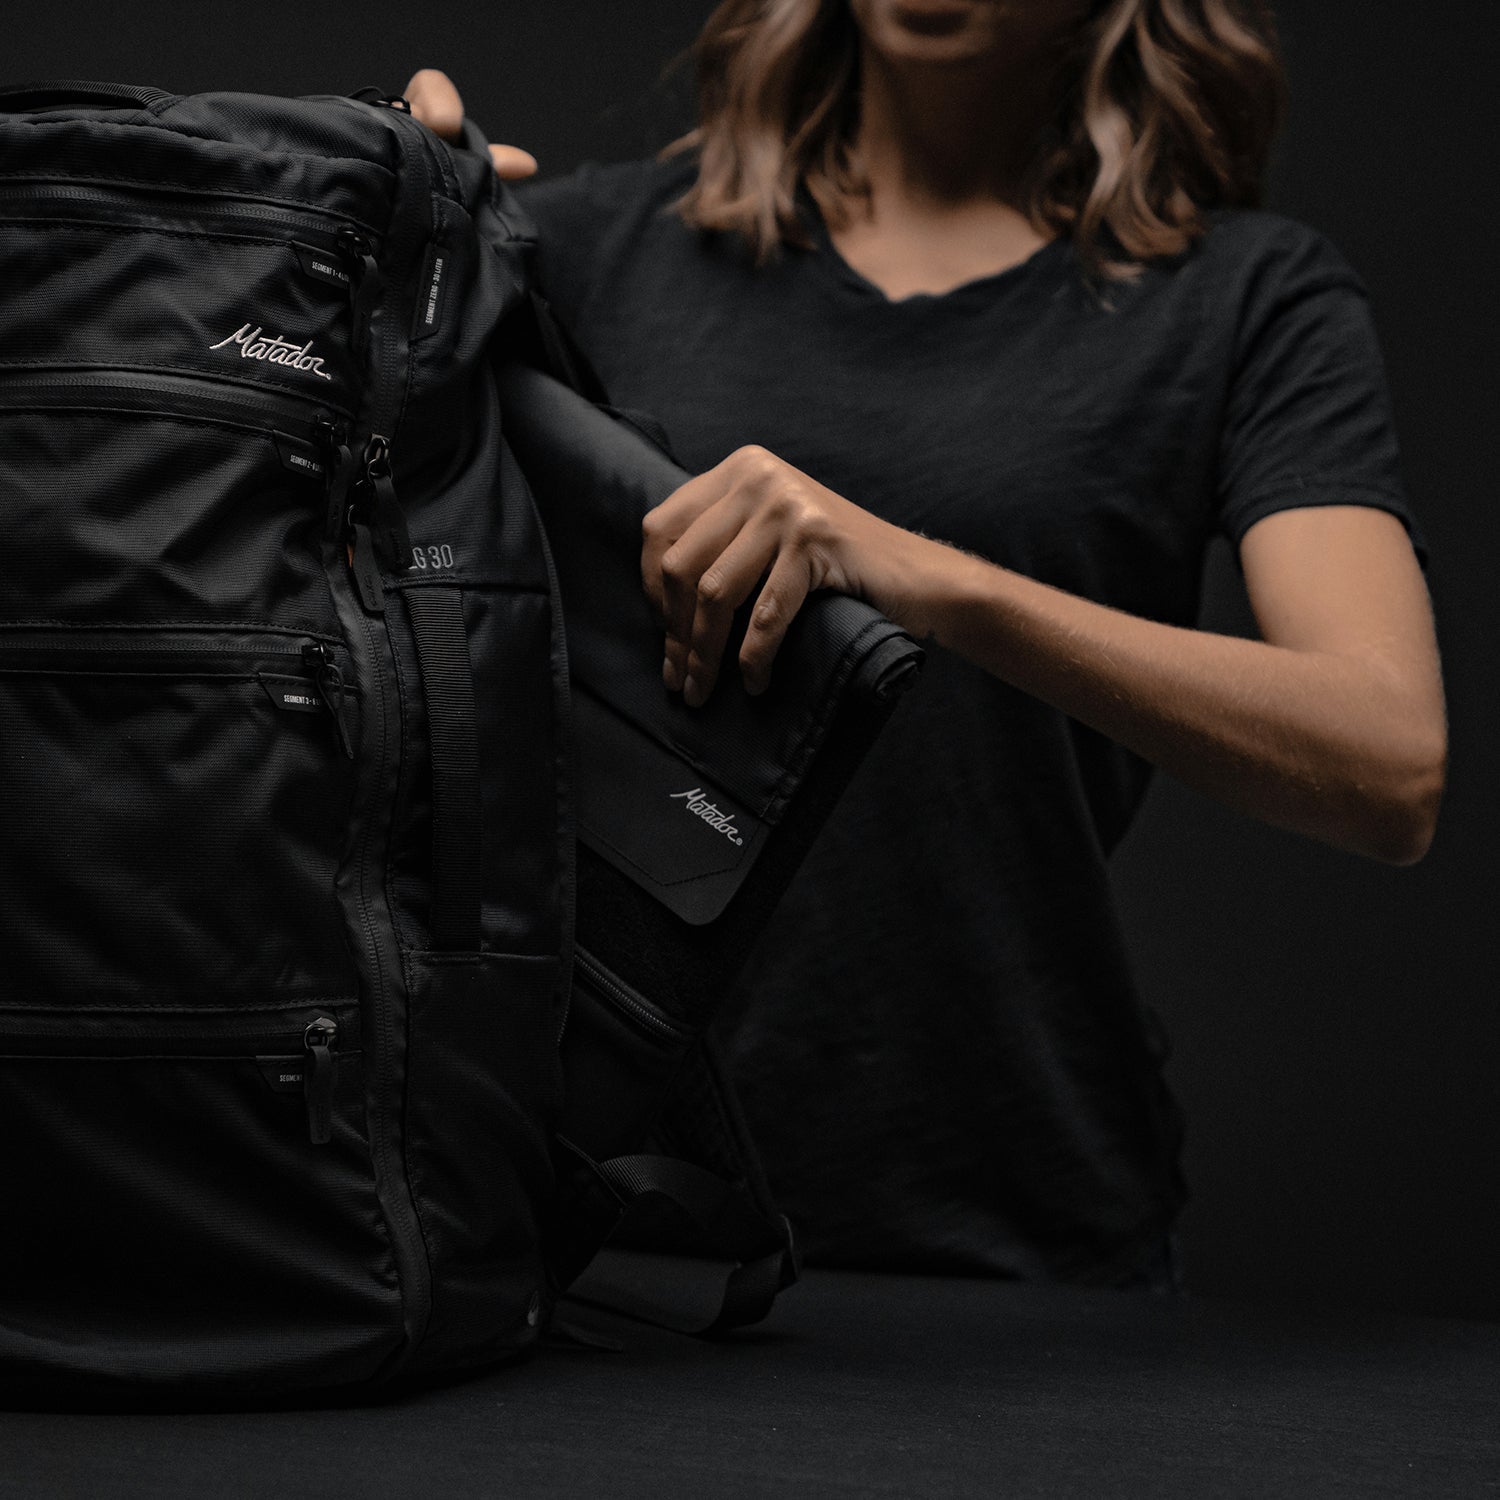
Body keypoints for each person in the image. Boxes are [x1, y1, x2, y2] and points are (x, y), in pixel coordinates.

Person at [403, 0, 1446, 1292]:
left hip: (1026, 1231)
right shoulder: (587, 246)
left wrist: (930, 578)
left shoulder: (1248, 298)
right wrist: (366, 205)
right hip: (604, 1220)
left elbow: (1387, 759)